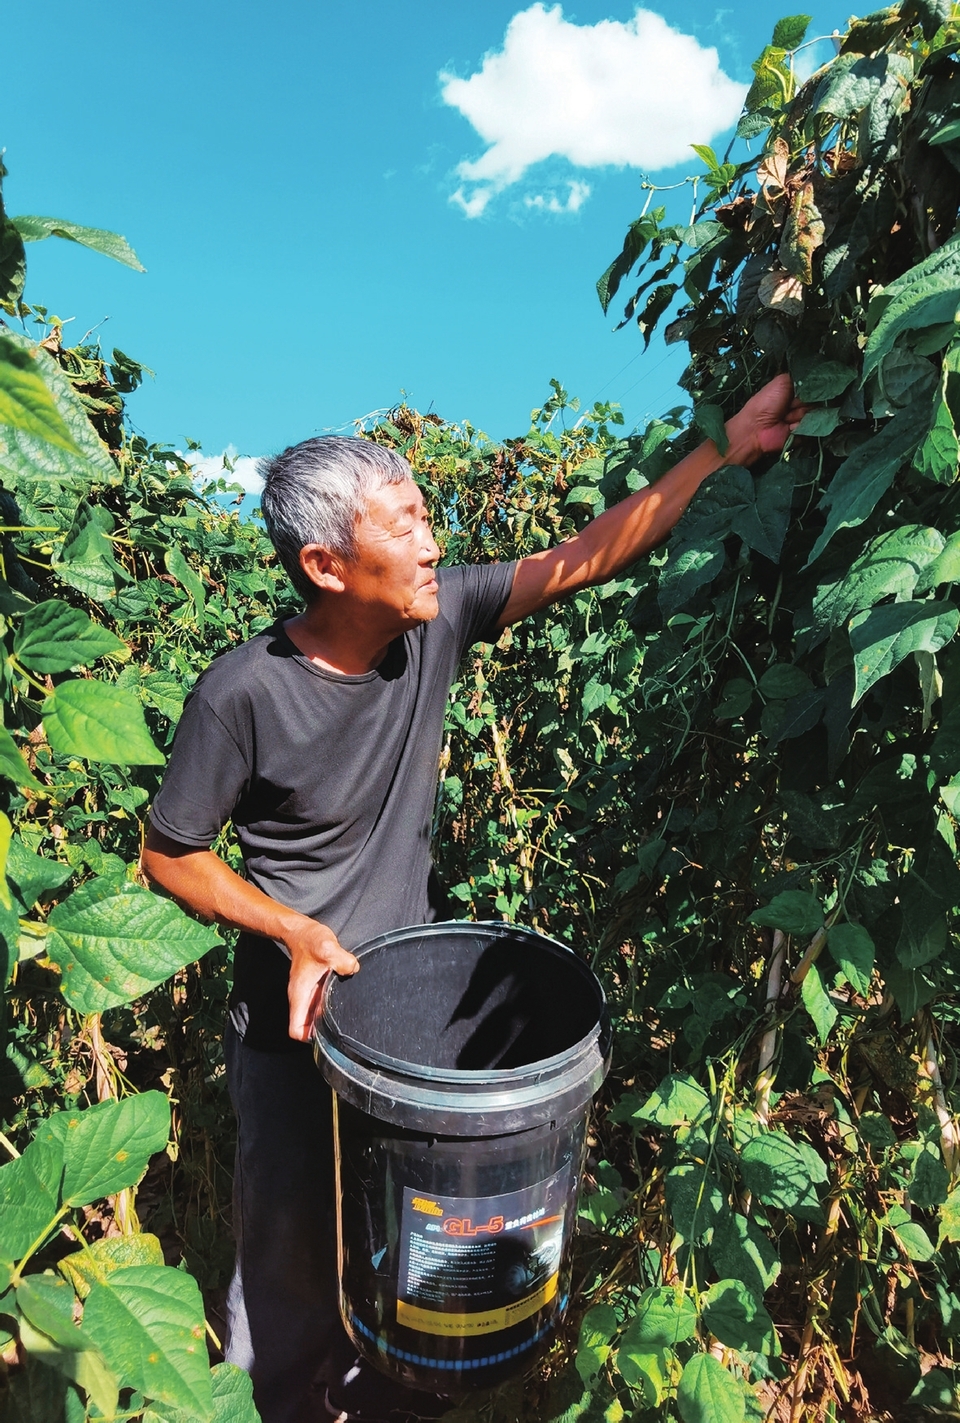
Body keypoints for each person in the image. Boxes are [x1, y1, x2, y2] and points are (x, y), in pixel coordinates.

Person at [141, 375, 803, 1423]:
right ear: (325, 563)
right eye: (404, 524)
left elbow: (584, 556)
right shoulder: (244, 692)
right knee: (288, 1276)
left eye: (426, 518)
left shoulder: (432, 624)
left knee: (415, 1268)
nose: (433, 543)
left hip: (409, 1042)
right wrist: (291, 927)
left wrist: (725, 449)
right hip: (287, 1038)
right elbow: (169, 855)